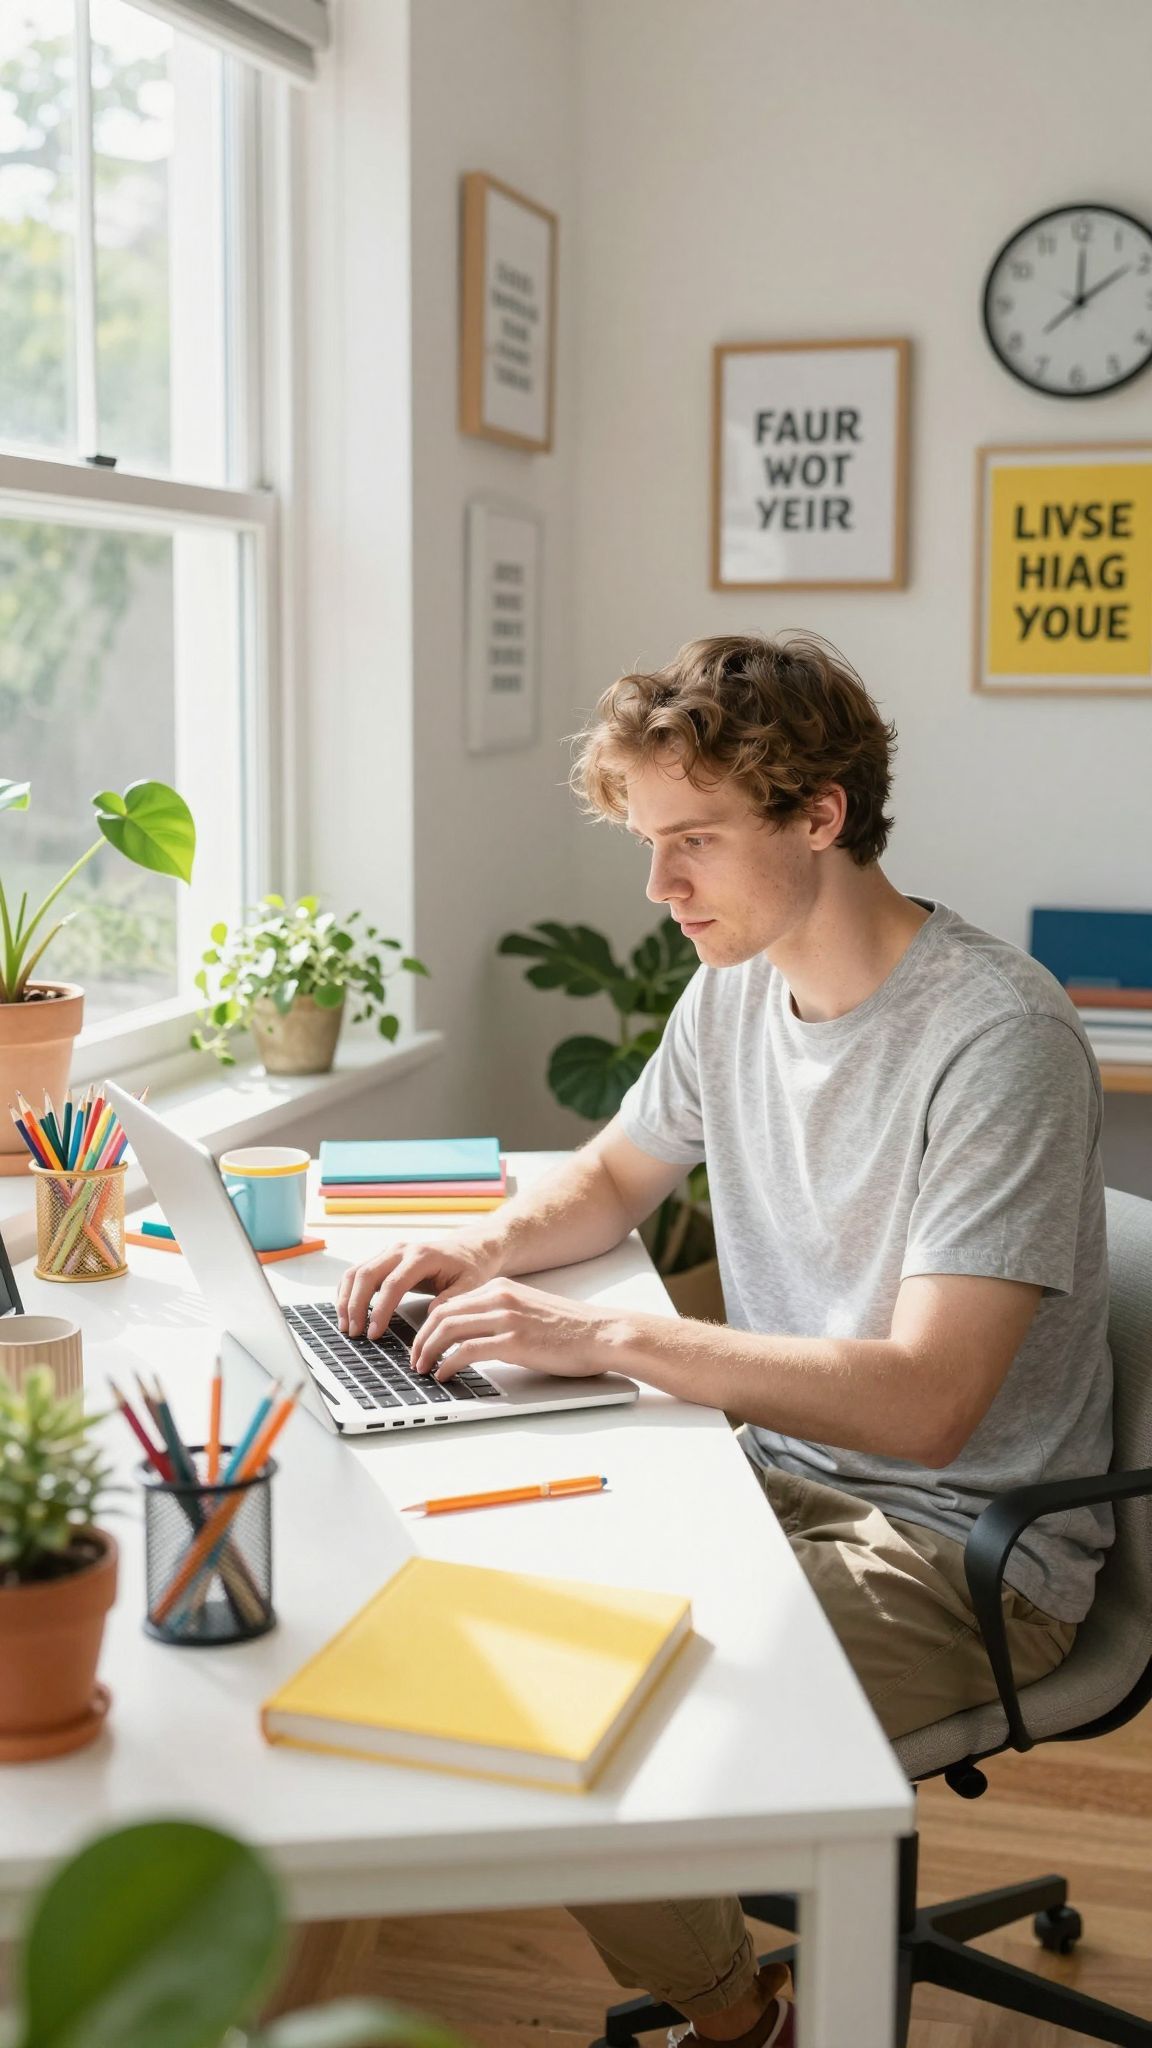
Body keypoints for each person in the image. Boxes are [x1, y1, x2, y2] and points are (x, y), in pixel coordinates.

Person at [337, 633, 1112, 2048]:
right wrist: (486, 1249)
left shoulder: (998, 1040)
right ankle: (740, 1994)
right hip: (767, 1469)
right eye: (648, 841)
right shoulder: (735, 985)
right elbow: (612, 1178)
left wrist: (617, 1336)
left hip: (957, 1546)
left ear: (819, 814)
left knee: (566, 1714)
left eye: (692, 840)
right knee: (484, 1610)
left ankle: (728, 2021)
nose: (658, 887)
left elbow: (933, 1405)